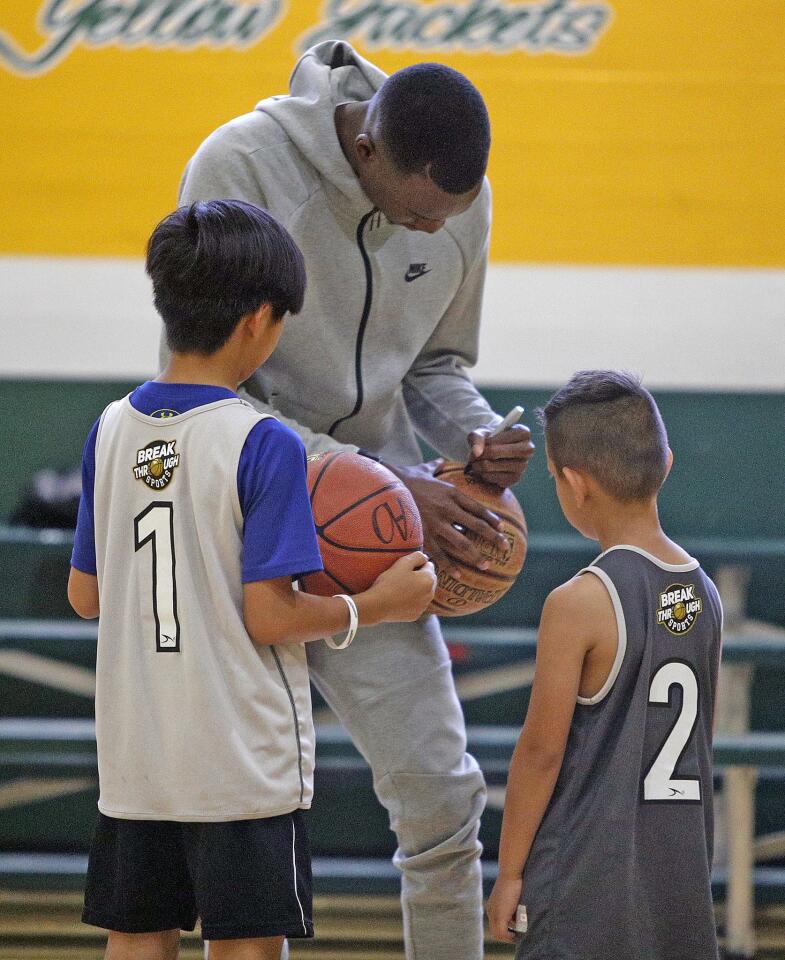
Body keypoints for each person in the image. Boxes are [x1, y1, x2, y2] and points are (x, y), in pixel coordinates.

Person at [176, 40, 535, 958]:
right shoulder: (239, 168)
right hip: (243, 519)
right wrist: (380, 480)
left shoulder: (458, 201)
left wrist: (474, 440)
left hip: (379, 529)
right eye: (418, 215)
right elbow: (212, 390)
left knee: (441, 791)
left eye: (447, 217)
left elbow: (438, 365)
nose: (432, 232)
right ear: (367, 151)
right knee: (244, 805)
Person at [67, 199, 436, 960]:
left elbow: (85, 595)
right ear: (260, 321)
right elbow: (269, 618)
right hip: (239, 759)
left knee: (136, 940)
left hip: (138, 755)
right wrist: (375, 604)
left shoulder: (109, 428)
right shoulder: (260, 441)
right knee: (244, 948)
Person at [486, 370, 722, 959]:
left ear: (573, 483)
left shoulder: (579, 601)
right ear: (665, 464)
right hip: (679, 879)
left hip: (584, 879)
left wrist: (510, 872)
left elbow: (541, 752)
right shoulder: (704, 592)